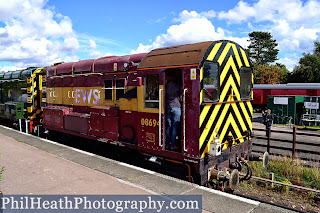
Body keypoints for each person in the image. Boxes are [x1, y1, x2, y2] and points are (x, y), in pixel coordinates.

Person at [165, 74, 181, 151]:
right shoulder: (177, 86)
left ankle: (167, 144)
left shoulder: (166, 86)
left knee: (168, 127)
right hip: (176, 108)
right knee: (175, 128)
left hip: (168, 108)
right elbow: (181, 97)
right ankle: (173, 145)